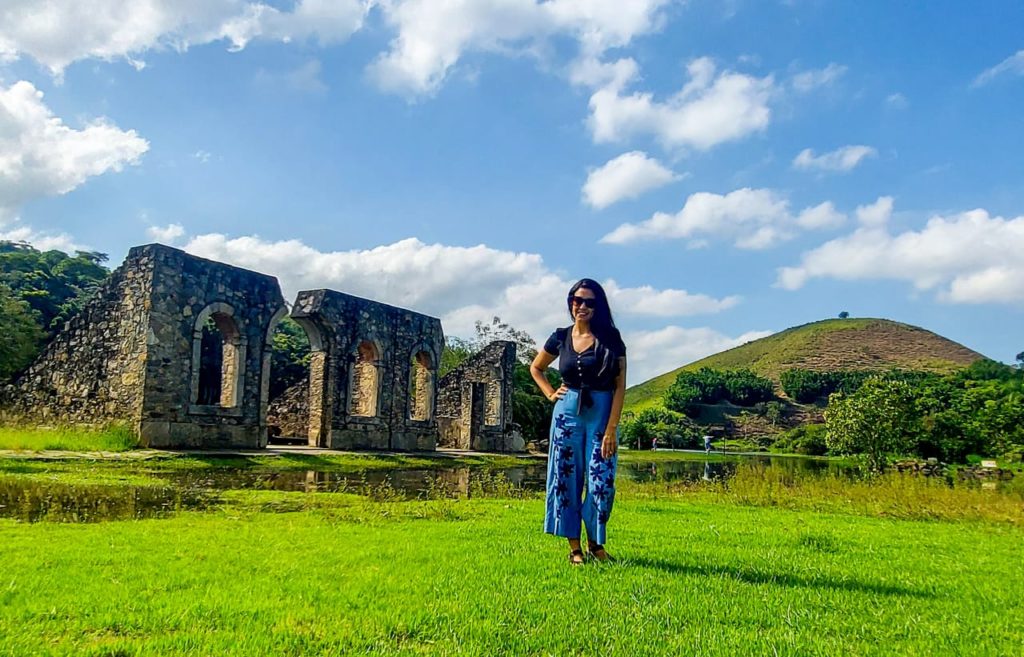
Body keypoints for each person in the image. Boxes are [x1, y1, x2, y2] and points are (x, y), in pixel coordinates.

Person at [530, 278, 627, 565]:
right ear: (570, 303)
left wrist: (611, 429)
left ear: (598, 307)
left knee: (601, 482)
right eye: (576, 300)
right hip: (566, 415)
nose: (581, 306)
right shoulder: (560, 336)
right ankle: (575, 548)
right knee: (565, 480)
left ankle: (595, 543)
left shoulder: (612, 338)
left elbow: (620, 385)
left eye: (589, 302)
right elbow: (536, 367)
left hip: (601, 415)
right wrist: (550, 392)